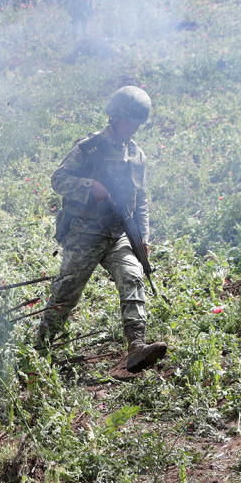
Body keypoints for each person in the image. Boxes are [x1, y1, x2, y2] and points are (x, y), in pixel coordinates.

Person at [37, 85, 167, 373]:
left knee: (132, 276)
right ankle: (39, 348)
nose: (132, 128)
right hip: (84, 232)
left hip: (118, 233)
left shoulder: (136, 155)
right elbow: (58, 179)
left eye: (137, 123)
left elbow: (141, 198)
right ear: (115, 116)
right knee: (67, 292)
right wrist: (88, 186)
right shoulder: (90, 148)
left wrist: (142, 235)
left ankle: (136, 346)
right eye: (128, 121)